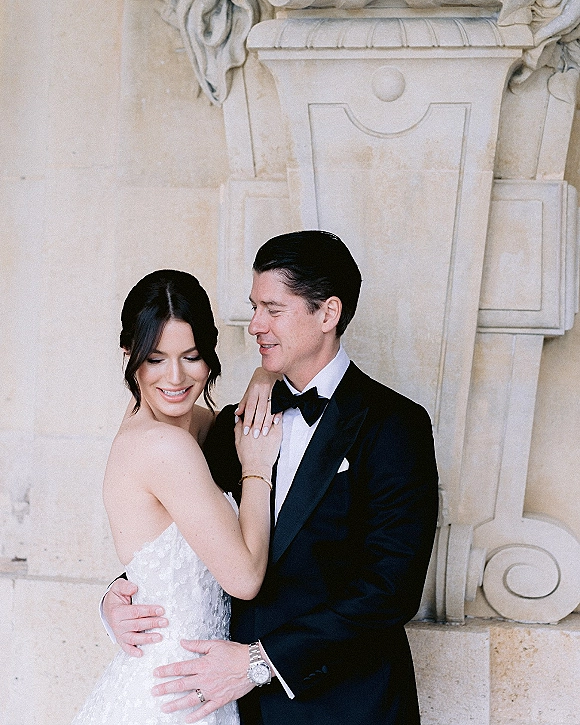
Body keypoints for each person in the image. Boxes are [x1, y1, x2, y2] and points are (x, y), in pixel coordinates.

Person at [104, 232, 440, 725]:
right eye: (254, 306)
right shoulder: (230, 426)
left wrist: (264, 662)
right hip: (236, 709)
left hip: (348, 706)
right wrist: (117, 598)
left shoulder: (395, 425)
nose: (255, 324)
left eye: (273, 309)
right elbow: (184, 538)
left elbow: (391, 589)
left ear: (327, 314)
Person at [72, 270, 282, 725]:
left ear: (209, 355)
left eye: (191, 357)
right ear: (129, 357)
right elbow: (244, 578)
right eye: (154, 359)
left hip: (186, 683)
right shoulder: (164, 446)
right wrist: (257, 471)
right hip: (172, 698)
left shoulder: (181, 426)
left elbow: (219, 421)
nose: (175, 377)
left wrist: (266, 377)